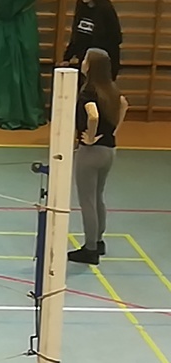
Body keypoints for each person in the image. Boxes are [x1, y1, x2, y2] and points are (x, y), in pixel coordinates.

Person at [68, 48, 128, 266]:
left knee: (87, 201)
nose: (83, 62)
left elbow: (92, 115)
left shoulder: (89, 91)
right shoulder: (111, 89)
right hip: (109, 150)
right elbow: (124, 104)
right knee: (98, 196)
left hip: (91, 153)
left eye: (85, 59)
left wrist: (91, 137)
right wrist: (113, 131)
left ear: (91, 66)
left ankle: (90, 249)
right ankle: (99, 241)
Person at [61, 0, 122, 79]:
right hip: (83, 61)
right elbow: (76, 35)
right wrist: (67, 57)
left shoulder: (106, 9)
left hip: (101, 62)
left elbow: (115, 38)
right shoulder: (81, 7)